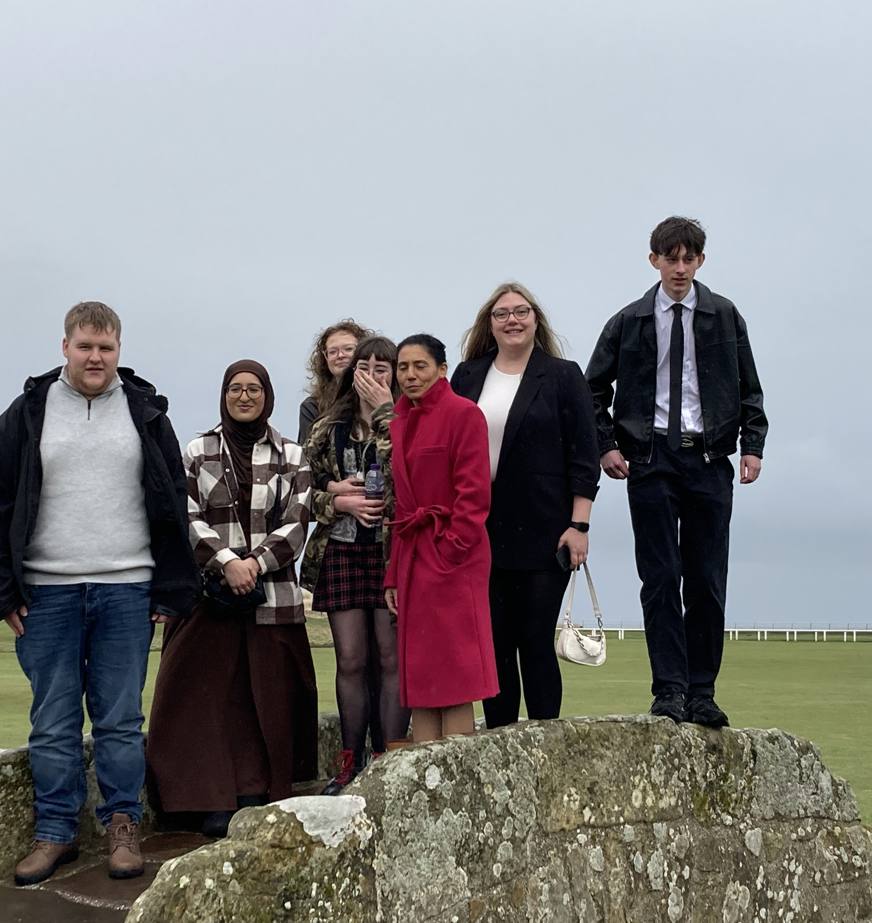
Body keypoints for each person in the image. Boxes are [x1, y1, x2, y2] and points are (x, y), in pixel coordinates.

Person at [0, 302, 198, 886]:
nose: (95, 357)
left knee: (119, 720)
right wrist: (4, 590)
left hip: (125, 588)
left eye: (105, 348)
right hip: (47, 592)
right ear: (65, 346)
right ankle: (55, 832)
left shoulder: (146, 412)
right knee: (53, 723)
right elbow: (2, 501)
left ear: (119, 350)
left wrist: (170, 585)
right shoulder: (28, 412)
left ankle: (122, 826)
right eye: (85, 346)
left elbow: (172, 500)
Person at [585, 216, 768, 727]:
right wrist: (606, 446)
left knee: (706, 579)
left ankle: (702, 692)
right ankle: (669, 690)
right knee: (661, 578)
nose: (680, 268)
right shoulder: (629, 320)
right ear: (655, 261)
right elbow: (592, 389)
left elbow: (750, 387)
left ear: (701, 261)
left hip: (709, 461)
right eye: (671, 259)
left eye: (689, 259)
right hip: (650, 461)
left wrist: (752, 445)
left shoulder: (724, 316)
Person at [147, 360, 317, 837]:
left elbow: (297, 521)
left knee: (266, 698)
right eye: (236, 389)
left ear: (267, 395)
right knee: (207, 699)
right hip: (210, 597)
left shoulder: (291, 454)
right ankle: (207, 796)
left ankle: (256, 790)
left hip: (272, 597)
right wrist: (226, 563)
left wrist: (254, 564)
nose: (244, 397)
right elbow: (186, 514)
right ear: (224, 395)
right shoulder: (198, 451)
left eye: (254, 389)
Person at [451, 284, 600, 729]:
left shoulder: (562, 376)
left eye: (521, 311)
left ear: (536, 319)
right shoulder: (467, 376)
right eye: (502, 313)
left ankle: (544, 746)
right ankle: (501, 744)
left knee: (535, 642)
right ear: (489, 323)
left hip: (546, 530)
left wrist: (579, 525)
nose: (512, 320)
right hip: (481, 530)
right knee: (494, 645)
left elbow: (584, 454)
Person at [301, 336, 409, 791]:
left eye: (383, 368)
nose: (371, 375)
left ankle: (389, 758)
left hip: (390, 552)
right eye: (364, 367)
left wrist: (385, 411)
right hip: (342, 549)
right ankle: (349, 761)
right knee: (349, 658)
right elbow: (300, 491)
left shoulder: (405, 421)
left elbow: (409, 473)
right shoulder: (328, 427)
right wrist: (339, 501)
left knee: (390, 656)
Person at [385, 334, 498, 742]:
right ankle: (427, 774)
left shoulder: (464, 414)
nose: (410, 375)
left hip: (455, 558)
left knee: (456, 675)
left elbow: (474, 495)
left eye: (420, 366)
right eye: (403, 367)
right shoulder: (399, 422)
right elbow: (402, 507)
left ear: (442, 369)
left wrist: (450, 550)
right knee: (422, 677)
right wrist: (394, 574)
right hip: (414, 558)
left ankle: (456, 775)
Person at [298, 320, 372, 444]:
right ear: (325, 358)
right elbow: (306, 452)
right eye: (333, 352)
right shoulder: (312, 406)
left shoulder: (384, 397)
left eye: (348, 349)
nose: (340, 355)